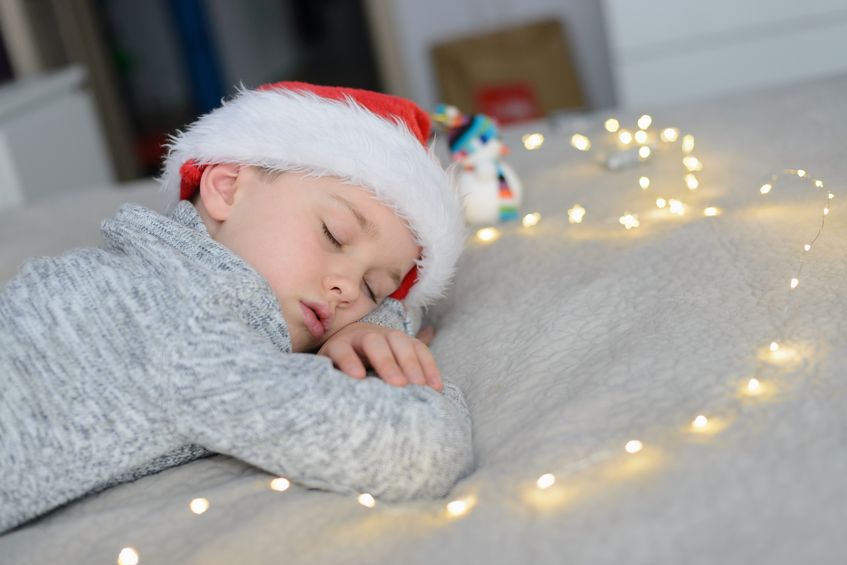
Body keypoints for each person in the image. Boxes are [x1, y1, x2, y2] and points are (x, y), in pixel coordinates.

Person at [0, 82, 473, 534]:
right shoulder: (174, 322)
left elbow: (406, 310)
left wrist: (374, 327)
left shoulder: (176, 280)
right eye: (334, 234)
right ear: (226, 188)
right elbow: (422, 449)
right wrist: (406, 374)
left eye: (374, 289)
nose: (347, 289)